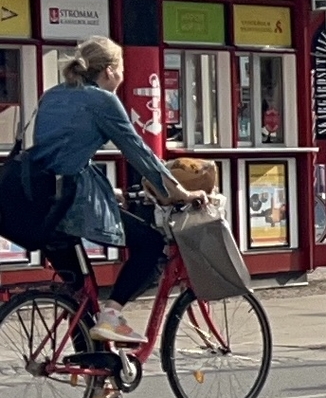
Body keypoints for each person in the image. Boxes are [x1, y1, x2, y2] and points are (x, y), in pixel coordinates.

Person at [30, 37, 205, 345]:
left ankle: (98, 382)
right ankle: (113, 314)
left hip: (39, 202)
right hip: (70, 202)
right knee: (151, 246)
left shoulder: (52, 95)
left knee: (80, 295)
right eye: (121, 69)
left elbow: (60, 154)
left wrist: (108, 194)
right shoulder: (101, 100)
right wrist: (178, 192)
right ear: (109, 71)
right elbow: (139, 152)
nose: (122, 76)